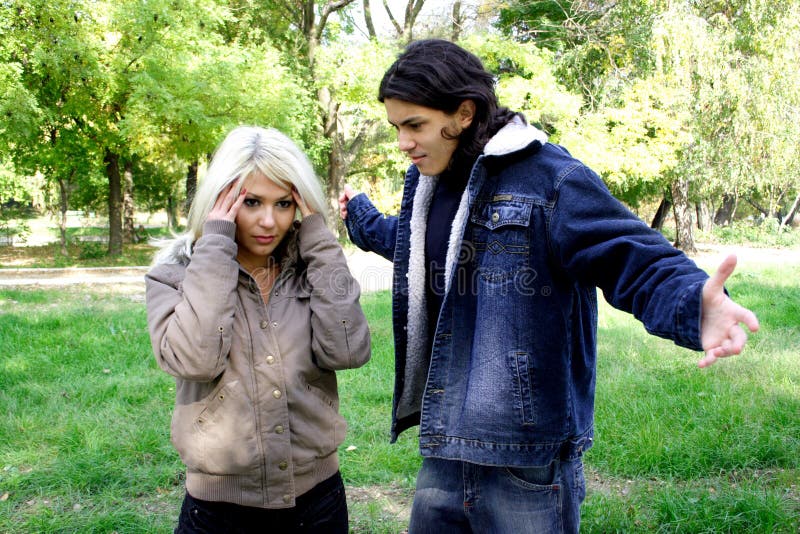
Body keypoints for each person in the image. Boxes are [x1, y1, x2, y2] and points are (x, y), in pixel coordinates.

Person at [338, 39, 759, 533]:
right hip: (445, 442)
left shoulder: (549, 178)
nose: (403, 143)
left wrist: (695, 305)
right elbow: (410, 244)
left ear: (465, 112)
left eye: (415, 126)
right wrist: (359, 216)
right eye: (396, 128)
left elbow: (625, 252)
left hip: (526, 455)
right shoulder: (430, 183)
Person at [146, 126, 371, 533]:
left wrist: (320, 243)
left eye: (284, 203)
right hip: (219, 511)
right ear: (221, 200)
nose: (269, 220)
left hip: (317, 501)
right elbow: (195, 360)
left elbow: (348, 351)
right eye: (251, 202)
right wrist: (215, 245)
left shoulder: (315, 269)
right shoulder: (174, 276)